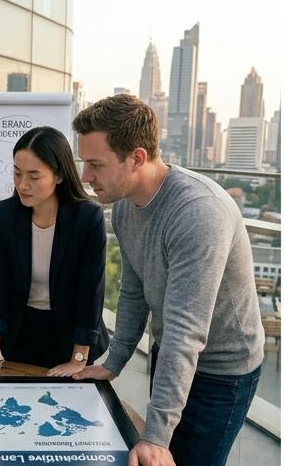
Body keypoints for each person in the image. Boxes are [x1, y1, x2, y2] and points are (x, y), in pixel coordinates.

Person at [72, 94, 264, 466]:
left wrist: (156, 435)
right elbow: (133, 290)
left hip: (223, 371)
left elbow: (185, 329)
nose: (85, 177)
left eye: (95, 164)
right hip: (172, 355)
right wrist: (115, 361)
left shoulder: (198, 214)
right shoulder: (127, 207)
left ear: (138, 158)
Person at [0, 127, 109, 377]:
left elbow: (91, 291)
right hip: (22, 333)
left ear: (59, 176)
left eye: (34, 176)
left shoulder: (88, 218)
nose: (23, 185)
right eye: (17, 173)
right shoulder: (4, 215)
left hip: (73, 336)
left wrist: (79, 358)